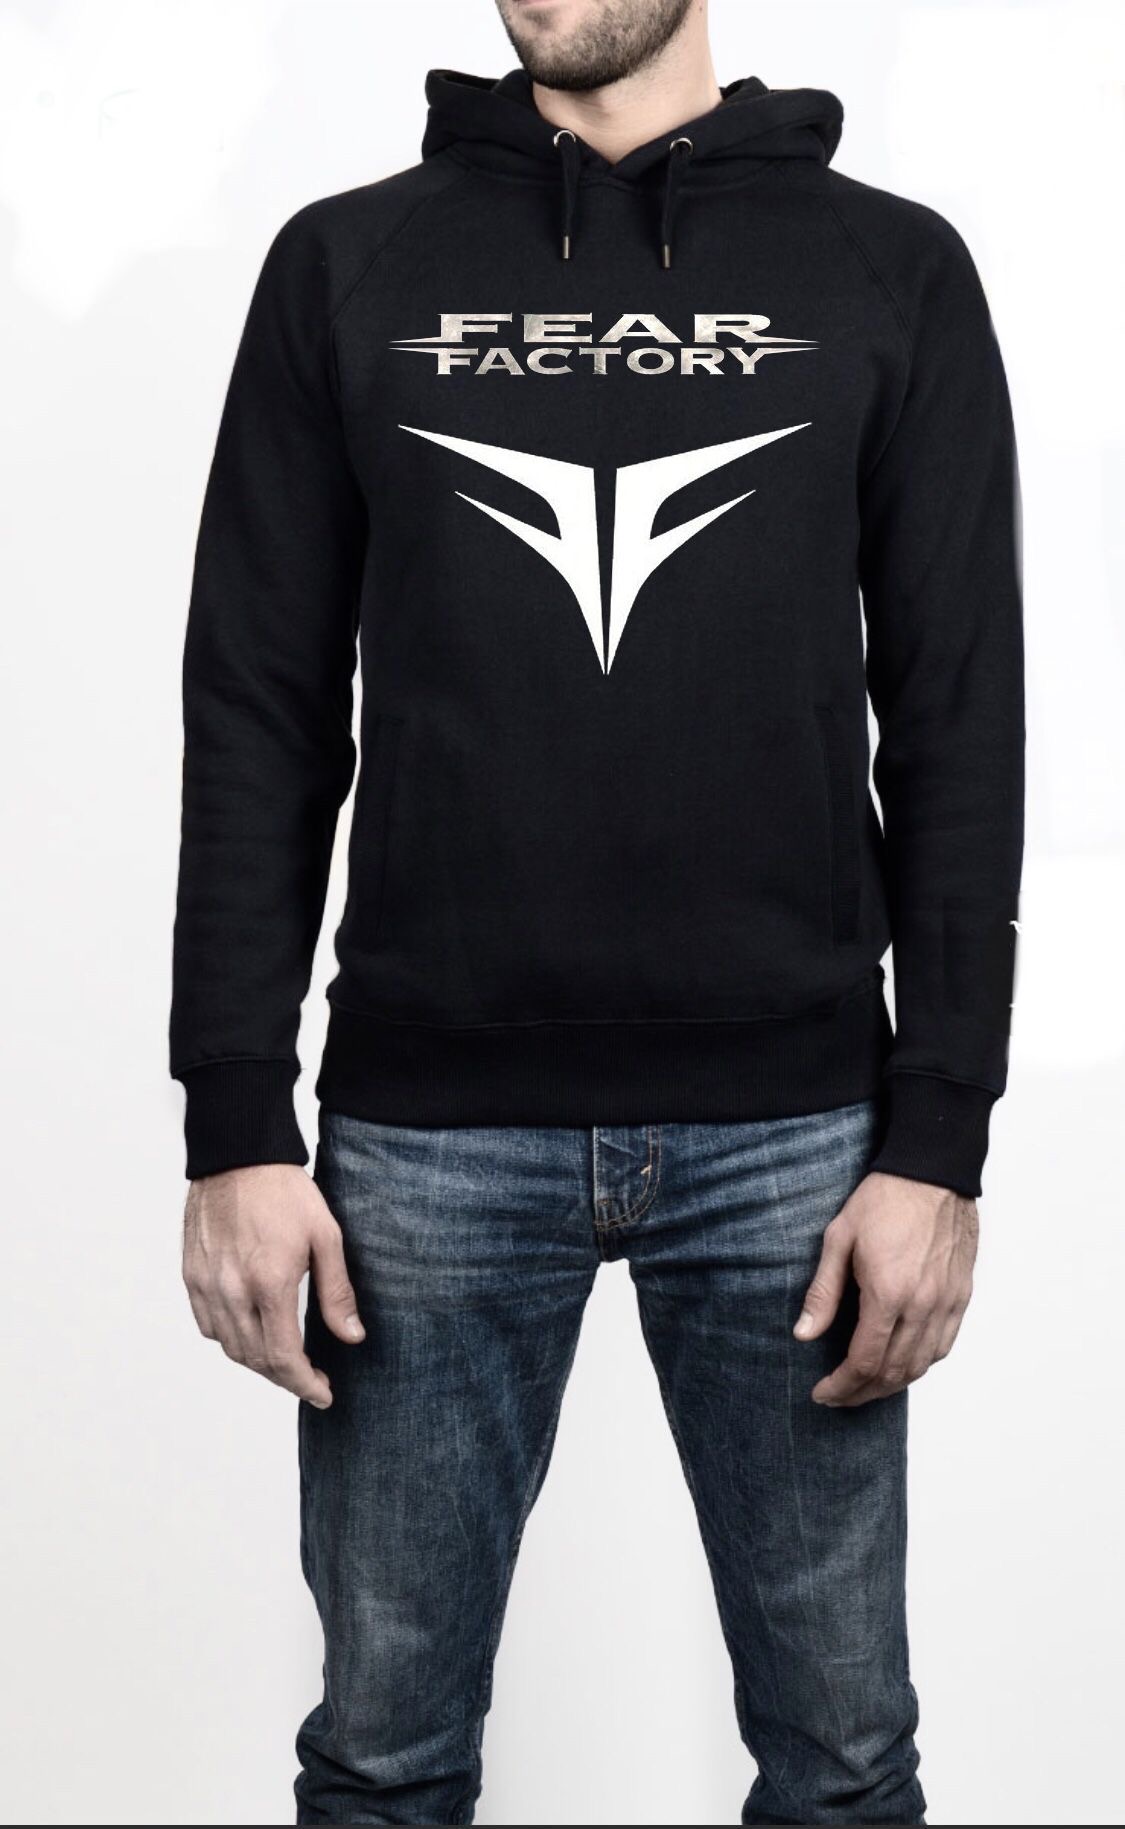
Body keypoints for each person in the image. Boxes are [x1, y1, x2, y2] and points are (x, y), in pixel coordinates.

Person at [171, 0, 1024, 1821]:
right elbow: (256, 704)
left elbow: (960, 716)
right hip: (424, 1138)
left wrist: (938, 1135)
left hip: (799, 1138)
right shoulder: (347, 263)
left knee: (842, 1765)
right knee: (382, 1761)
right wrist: (233, 1117)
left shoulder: (886, 268)